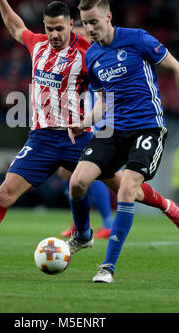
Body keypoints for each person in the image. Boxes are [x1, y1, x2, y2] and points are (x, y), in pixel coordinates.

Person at [0, 0, 179, 276]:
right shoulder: (37, 45)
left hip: (79, 138)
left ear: (72, 24)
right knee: (4, 192)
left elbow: (112, 82)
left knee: (129, 189)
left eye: (60, 28)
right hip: (41, 140)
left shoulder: (89, 52)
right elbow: (15, 26)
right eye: (49, 28)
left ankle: (167, 207)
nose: (54, 34)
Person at [67, 0, 179, 284]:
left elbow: (178, 69)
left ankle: (108, 268)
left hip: (147, 128)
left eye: (94, 22)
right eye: (85, 23)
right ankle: (84, 235)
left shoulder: (138, 39)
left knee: (127, 188)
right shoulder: (92, 55)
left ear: (108, 17)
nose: (90, 29)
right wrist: (84, 123)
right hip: (113, 129)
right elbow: (103, 102)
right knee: (77, 183)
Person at [60, 21, 114, 239]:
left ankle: (107, 223)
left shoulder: (95, 59)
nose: (80, 40)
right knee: (67, 170)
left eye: (84, 35)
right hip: (80, 118)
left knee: (95, 173)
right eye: (77, 35)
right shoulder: (75, 58)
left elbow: (103, 96)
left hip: (97, 121)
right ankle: (80, 222)